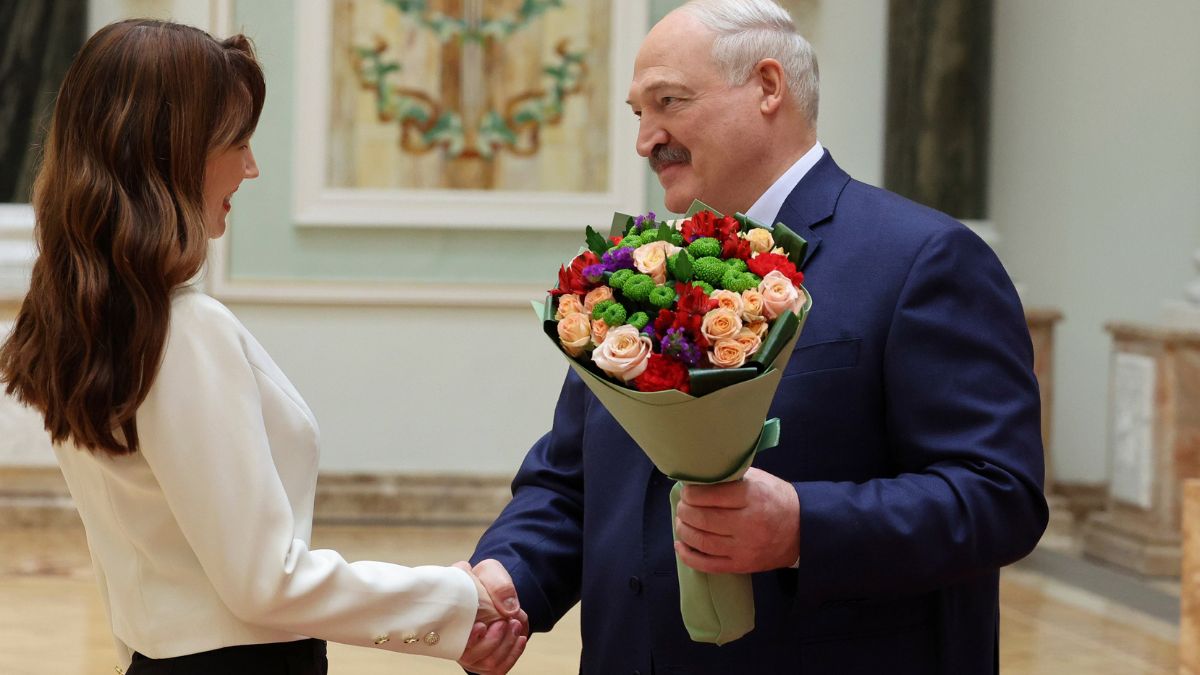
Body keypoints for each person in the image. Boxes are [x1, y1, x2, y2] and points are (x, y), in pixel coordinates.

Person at [466, 1, 1048, 673]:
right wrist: (510, 575)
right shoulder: (634, 275)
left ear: (769, 86)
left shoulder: (924, 259)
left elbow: (998, 495)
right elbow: (570, 482)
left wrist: (803, 524)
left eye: (669, 102)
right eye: (638, 113)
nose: (646, 139)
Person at [0, 20, 527, 675]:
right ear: (170, 154)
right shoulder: (185, 330)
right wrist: (452, 601)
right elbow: (266, 582)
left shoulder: (85, 322)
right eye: (237, 142)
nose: (252, 168)